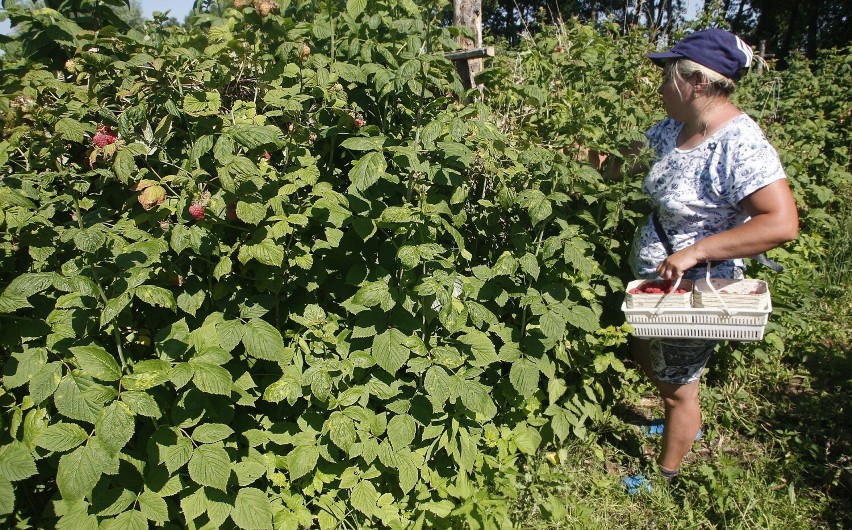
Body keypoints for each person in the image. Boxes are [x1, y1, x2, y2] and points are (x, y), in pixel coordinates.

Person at [600, 28, 799, 490]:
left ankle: (666, 474)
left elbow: (781, 222)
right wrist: (567, 155)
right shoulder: (672, 128)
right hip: (654, 282)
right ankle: (680, 418)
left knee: (678, 388)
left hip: (696, 289)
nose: (660, 86)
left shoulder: (739, 143)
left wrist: (696, 252)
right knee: (647, 353)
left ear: (697, 83)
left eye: (666, 77)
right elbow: (617, 165)